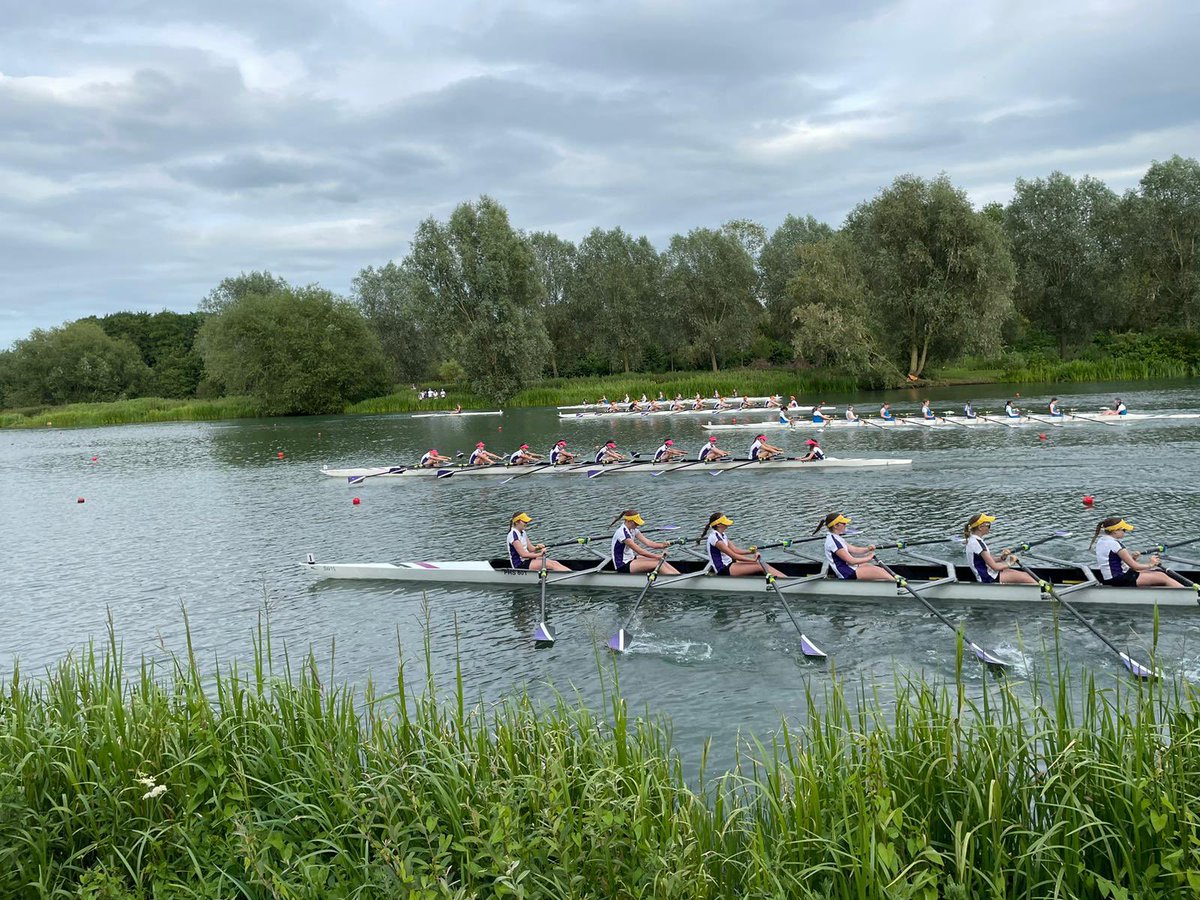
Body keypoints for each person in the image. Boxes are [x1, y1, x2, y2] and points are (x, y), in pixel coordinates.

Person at [1090, 518, 1184, 587]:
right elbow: (1135, 566)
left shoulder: (1102, 541)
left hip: (1114, 576)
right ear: (1115, 531)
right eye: (1124, 530)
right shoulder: (1115, 545)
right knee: (1162, 577)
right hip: (1119, 579)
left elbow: (1119, 562)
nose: (1125, 532)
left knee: (1159, 572)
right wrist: (1151, 564)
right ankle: (1189, 595)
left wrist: (1133, 558)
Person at [701, 512, 785, 577]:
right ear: (719, 524)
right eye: (725, 522)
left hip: (730, 563)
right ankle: (786, 582)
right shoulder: (715, 539)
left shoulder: (722, 535)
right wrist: (753, 560)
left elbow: (735, 550)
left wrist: (751, 551)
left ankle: (784, 578)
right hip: (722, 569)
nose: (727, 525)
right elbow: (734, 555)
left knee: (762, 563)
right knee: (759, 565)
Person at [813, 513, 892, 581]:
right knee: (877, 571)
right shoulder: (833, 542)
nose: (845, 525)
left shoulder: (836, 537)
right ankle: (898, 585)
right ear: (836, 526)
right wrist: (869, 557)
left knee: (871, 566)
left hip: (849, 568)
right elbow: (852, 561)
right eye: (843, 523)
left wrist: (868, 549)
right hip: (846, 573)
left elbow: (854, 550)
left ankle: (892, 582)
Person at [962, 513, 1037, 584]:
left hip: (990, 574)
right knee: (1028, 578)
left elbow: (989, 560)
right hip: (988, 578)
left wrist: (1002, 557)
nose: (990, 527)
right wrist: (1010, 563)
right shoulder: (977, 544)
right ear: (980, 527)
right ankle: (1040, 595)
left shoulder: (973, 540)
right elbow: (995, 567)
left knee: (1025, 574)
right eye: (988, 525)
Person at [611, 510, 679, 574]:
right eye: (636, 523)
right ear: (630, 521)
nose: (638, 525)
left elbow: (648, 543)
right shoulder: (622, 534)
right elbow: (640, 551)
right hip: (622, 565)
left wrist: (662, 545)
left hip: (631, 558)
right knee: (657, 563)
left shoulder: (633, 530)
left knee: (661, 561)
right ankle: (679, 583)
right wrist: (657, 556)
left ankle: (679, 575)